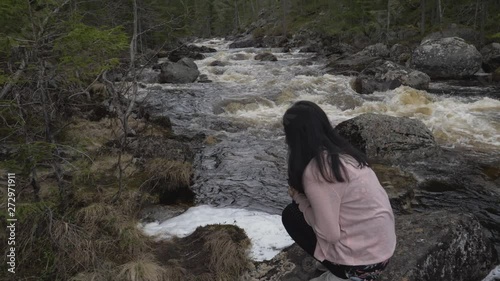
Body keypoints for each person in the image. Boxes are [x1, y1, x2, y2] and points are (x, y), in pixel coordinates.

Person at [281, 101, 396, 281]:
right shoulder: (345, 154)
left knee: (292, 215)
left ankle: (340, 273)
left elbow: (330, 235)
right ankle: (335, 263)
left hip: (362, 265)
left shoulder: (318, 170)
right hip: (383, 253)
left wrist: (299, 199)